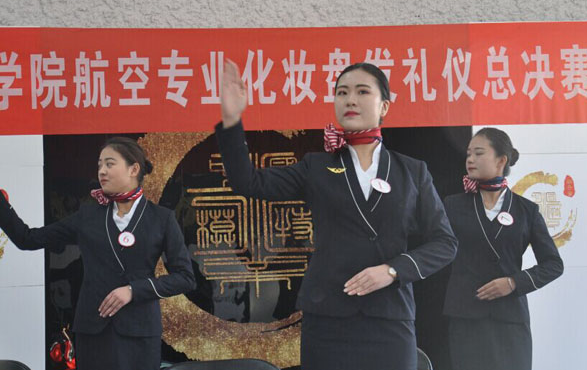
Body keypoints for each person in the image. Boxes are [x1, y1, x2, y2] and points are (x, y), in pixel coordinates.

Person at [216, 60, 457, 370]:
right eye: (342, 93)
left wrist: (393, 270)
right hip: (328, 318)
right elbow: (247, 182)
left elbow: (445, 243)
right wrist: (232, 120)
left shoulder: (412, 171)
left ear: (384, 106)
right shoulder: (316, 166)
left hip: (390, 318)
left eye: (362, 91)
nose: (350, 99)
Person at [0, 137, 196, 370]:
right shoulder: (88, 216)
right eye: (100, 164)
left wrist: (133, 290)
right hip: (93, 331)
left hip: (139, 332)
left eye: (110, 164)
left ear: (133, 169)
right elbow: (28, 239)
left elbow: (185, 278)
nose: (102, 171)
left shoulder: (161, 218)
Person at [443, 128, 564, 370]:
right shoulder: (453, 205)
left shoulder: (526, 210)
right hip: (467, 317)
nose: (470, 159)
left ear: (501, 160)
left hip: (510, 319)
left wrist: (513, 282)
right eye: (468, 154)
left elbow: (553, 265)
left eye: (478, 153)